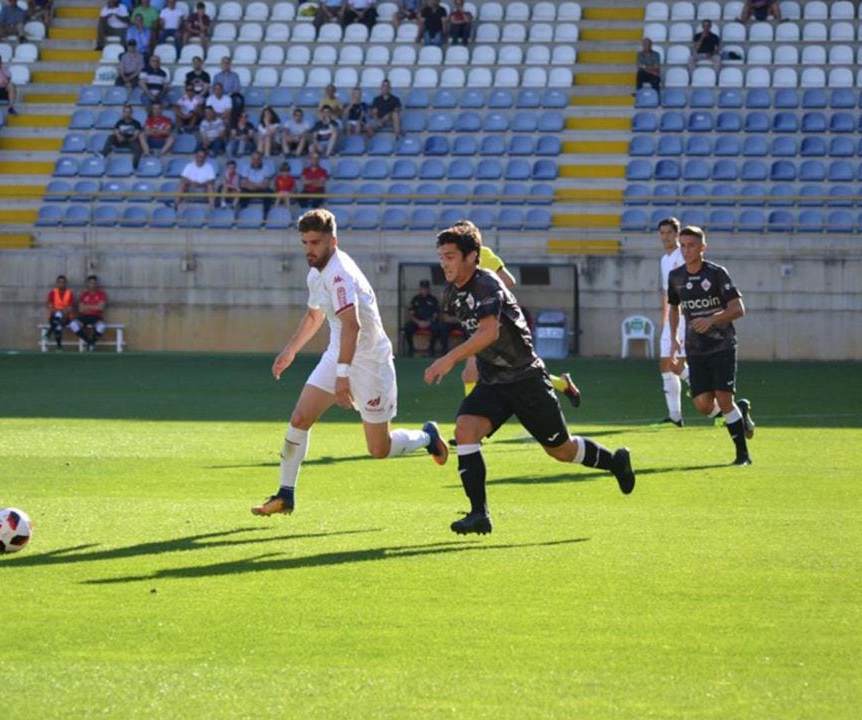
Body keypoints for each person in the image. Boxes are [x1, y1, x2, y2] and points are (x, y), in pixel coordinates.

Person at [424, 222, 635, 535]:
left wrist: (450, 358)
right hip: (493, 382)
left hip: (526, 380)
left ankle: (615, 462)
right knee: (466, 429)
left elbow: (489, 331)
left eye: (451, 256)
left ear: (473, 256)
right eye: (441, 256)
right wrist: (472, 361)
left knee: (561, 450)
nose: (444, 263)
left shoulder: (487, 284)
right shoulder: (453, 292)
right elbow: (476, 334)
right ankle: (479, 513)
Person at [251, 208, 446, 516]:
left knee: (378, 449)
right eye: (304, 243)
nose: (309, 250)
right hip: (338, 352)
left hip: (370, 362)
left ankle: (427, 437)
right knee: (301, 418)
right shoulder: (316, 272)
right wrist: (290, 351)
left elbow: (352, 325)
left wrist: (343, 378)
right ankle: (285, 495)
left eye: (315, 243)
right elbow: (316, 314)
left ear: (333, 240)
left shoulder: (339, 273)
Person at [667, 226, 755, 465]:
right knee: (704, 406)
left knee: (724, 400)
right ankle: (741, 414)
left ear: (702, 247)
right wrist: (674, 336)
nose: (686, 250)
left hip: (722, 345)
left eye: (691, 245)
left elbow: (738, 309)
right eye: (682, 246)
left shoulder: (716, 274)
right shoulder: (675, 277)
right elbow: (674, 307)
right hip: (695, 349)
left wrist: (712, 319)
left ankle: (743, 455)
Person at [472, 238, 581, 406]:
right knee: (513, 370)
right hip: (481, 322)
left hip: (496, 322)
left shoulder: (483, 253)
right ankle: (561, 384)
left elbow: (508, 280)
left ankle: (471, 421)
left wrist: (486, 296)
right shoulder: (460, 262)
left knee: (472, 372)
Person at [656, 217, 688, 427]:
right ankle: (675, 415)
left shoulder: (683, 256)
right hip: (671, 317)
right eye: (662, 232)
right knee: (665, 365)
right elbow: (667, 292)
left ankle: (718, 406)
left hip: (684, 316)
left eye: (669, 232)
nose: (665, 236)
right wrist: (664, 315)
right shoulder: (664, 259)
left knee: (677, 365)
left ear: (677, 234)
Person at [403, 279, 442, 356]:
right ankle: (411, 349)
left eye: (426, 289)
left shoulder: (433, 300)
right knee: (408, 327)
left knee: (437, 328)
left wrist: (428, 322)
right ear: (420, 289)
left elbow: (435, 314)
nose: (424, 290)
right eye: (423, 289)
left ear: (429, 289)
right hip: (417, 322)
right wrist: (418, 322)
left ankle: (431, 349)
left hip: (429, 322)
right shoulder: (415, 299)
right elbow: (411, 314)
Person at [68, 275, 107, 351]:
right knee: (73, 325)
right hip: (84, 317)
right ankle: (89, 342)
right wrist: (94, 306)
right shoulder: (83, 295)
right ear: (87, 284)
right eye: (91, 283)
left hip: (96, 316)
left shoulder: (101, 294)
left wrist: (87, 306)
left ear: (97, 284)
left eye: (94, 283)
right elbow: (80, 310)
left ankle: (91, 343)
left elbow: (100, 308)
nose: (93, 285)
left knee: (102, 326)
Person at [45, 275, 75, 350]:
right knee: (58, 325)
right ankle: (59, 346)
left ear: (66, 283)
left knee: (58, 320)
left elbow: (70, 308)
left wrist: (63, 313)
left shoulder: (69, 293)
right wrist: (59, 312)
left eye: (63, 282)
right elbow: (51, 307)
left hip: (67, 317)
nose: (61, 284)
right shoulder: (52, 293)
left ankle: (50, 332)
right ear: (57, 283)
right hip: (54, 316)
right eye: (60, 282)